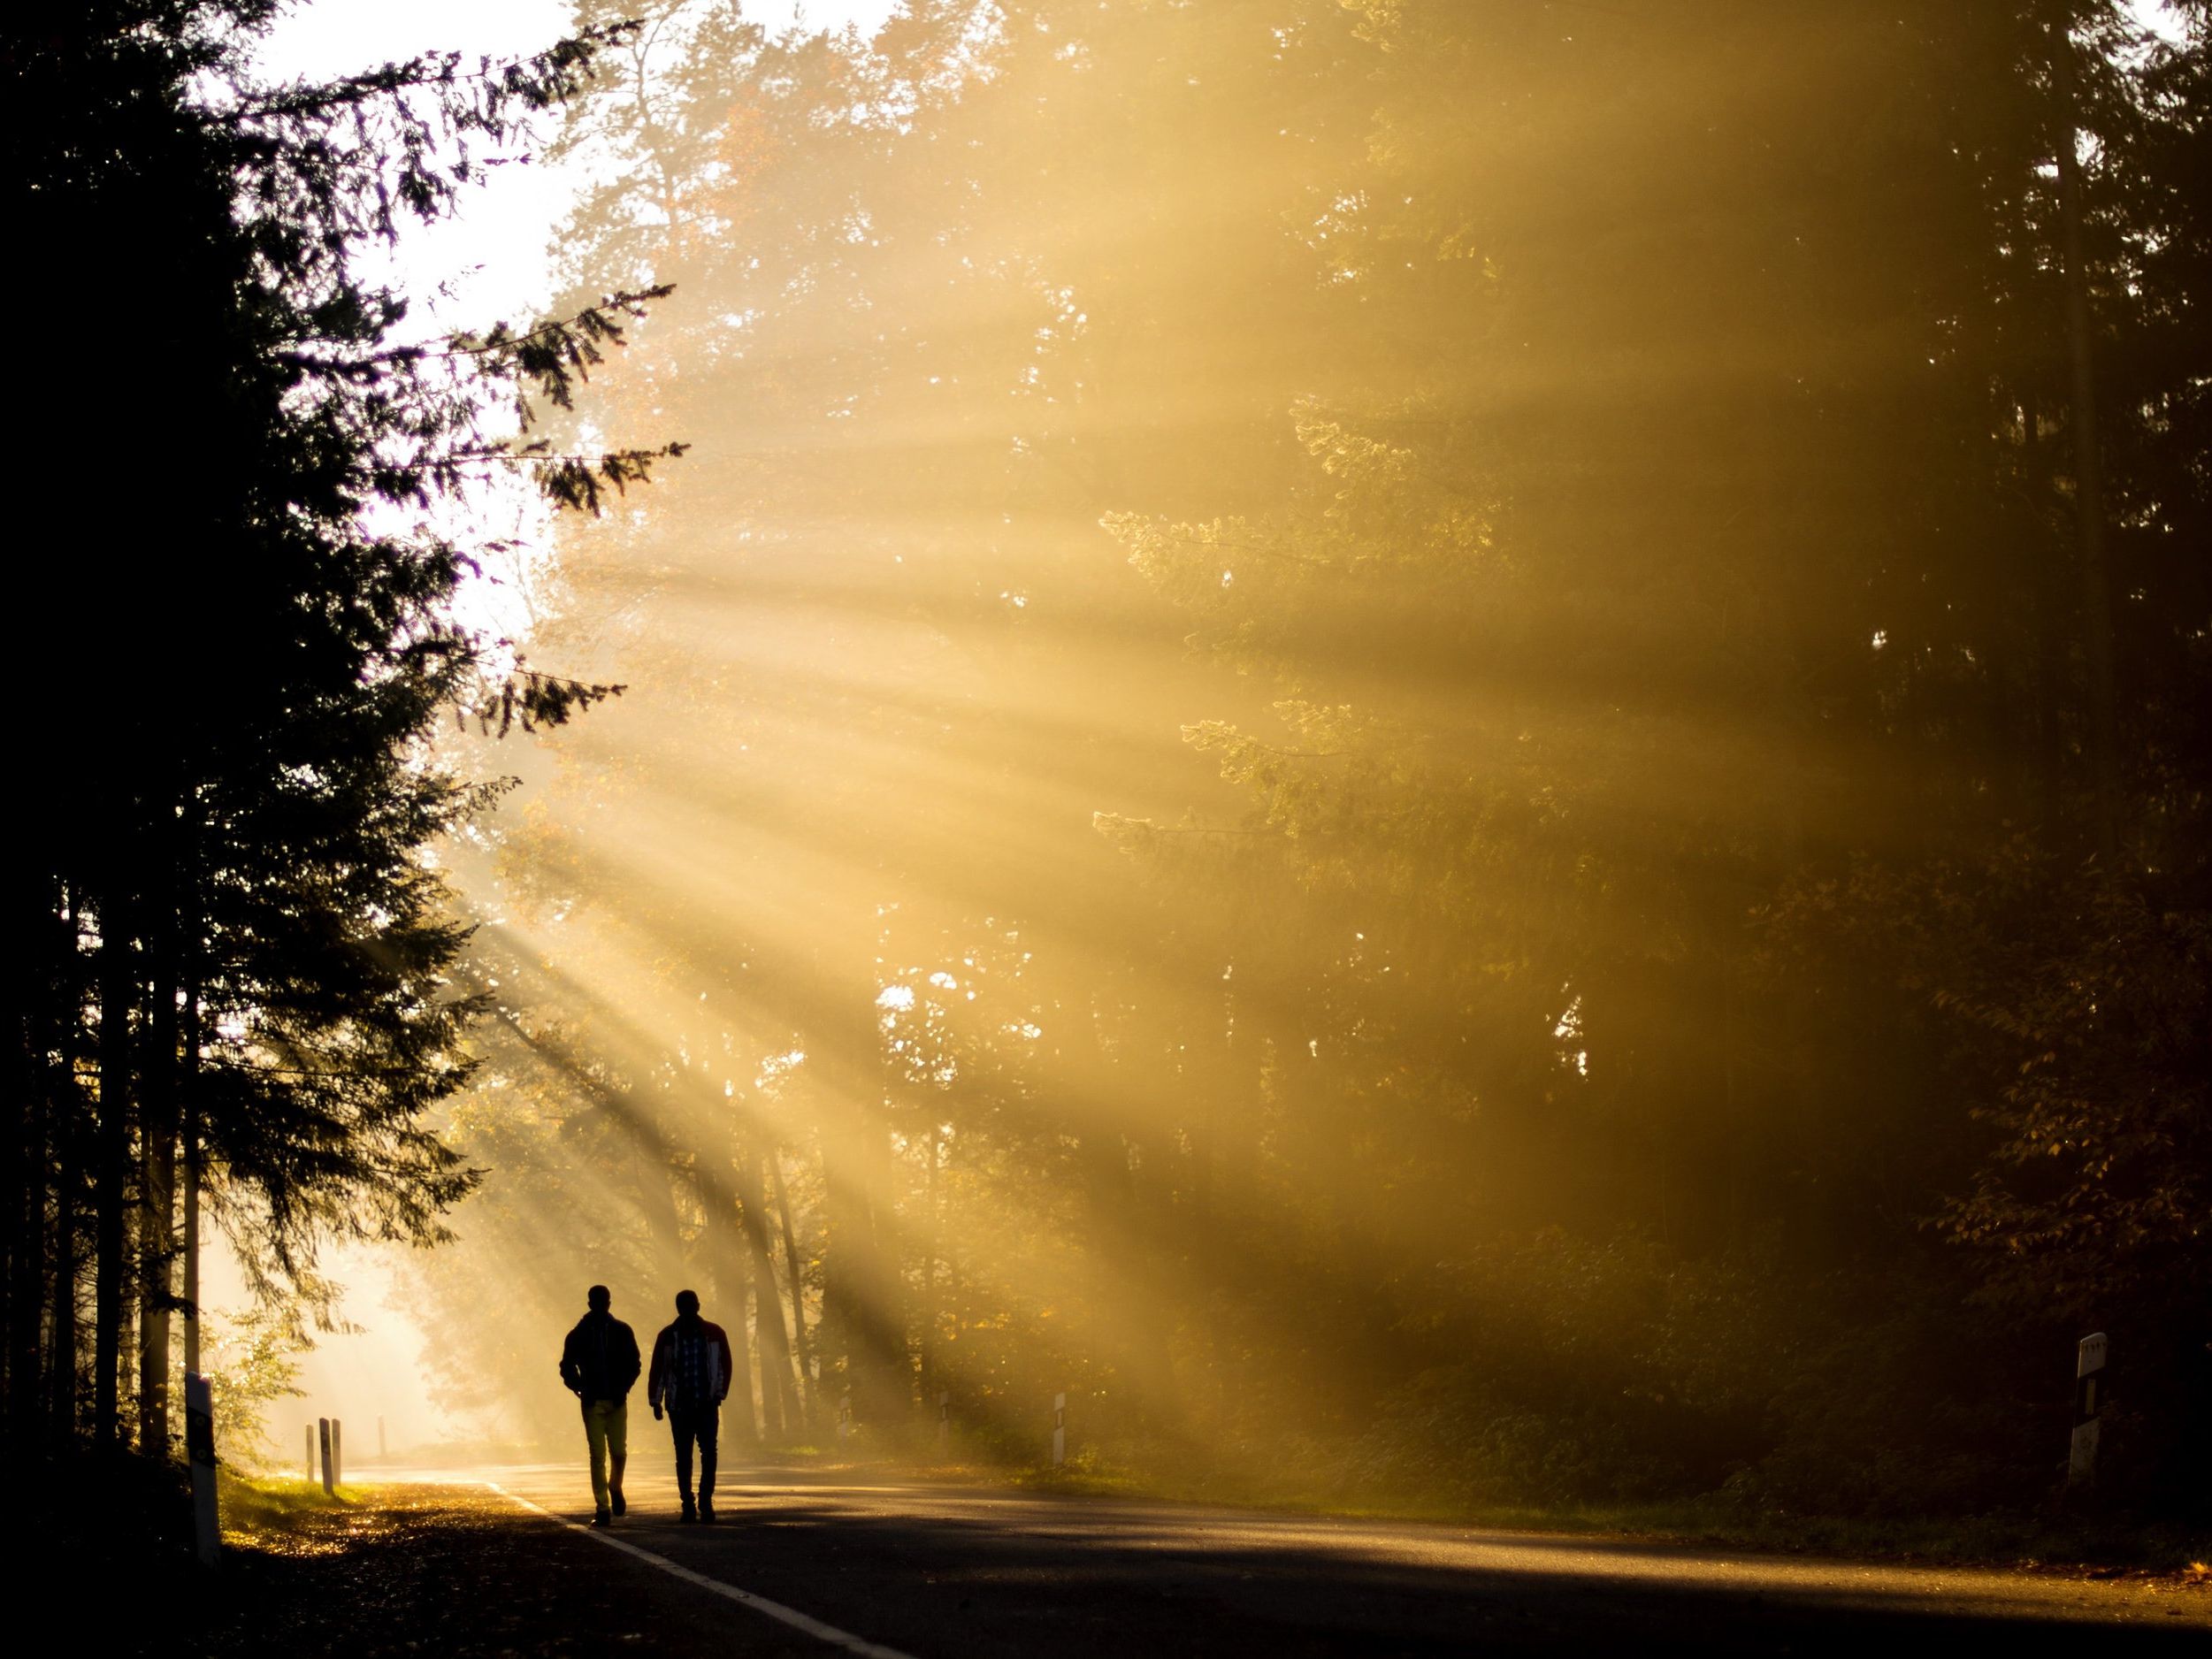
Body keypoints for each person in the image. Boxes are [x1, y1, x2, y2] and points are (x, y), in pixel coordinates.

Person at [647, 1288, 734, 1523]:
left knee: (707, 1452)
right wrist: (656, 1401)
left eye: (691, 1304)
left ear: (698, 1306)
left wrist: (719, 1394)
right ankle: (688, 1502)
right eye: (683, 1305)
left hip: (706, 1403)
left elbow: (725, 1364)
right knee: (684, 1455)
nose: (687, 1309)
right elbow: (658, 1369)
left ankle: (705, 1501)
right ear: (678, 1308)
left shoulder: (714, 1333)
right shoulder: (667, 1336)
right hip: (678, 1405)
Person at [558, 1284, 641, 1525]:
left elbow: (634, 1363)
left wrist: (623, 1388)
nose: (601, 1306)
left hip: (616, 1401)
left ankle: (615, 1487)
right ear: (591, 1304)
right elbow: (566, 1366)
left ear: (608, 1303)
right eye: (598, 1302)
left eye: (603, 1302)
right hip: (593, 1401)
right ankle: (602, 1508)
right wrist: (579, 1387)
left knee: (619, 1452)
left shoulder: (622, 1331)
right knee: (597, 1455)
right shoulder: (578, 1334)